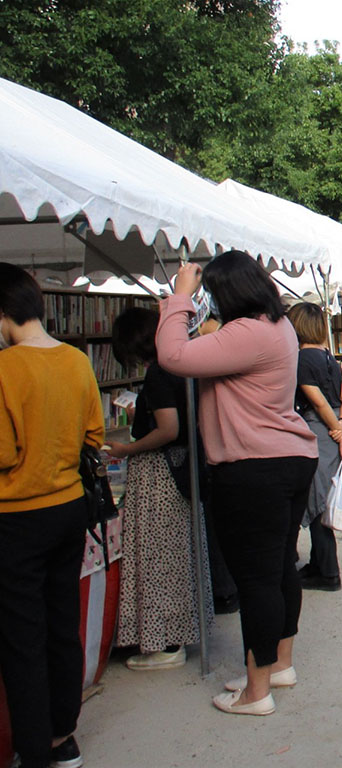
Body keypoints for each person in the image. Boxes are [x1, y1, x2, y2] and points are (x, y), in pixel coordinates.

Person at [157, 253, 318, 717]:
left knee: (256, 581)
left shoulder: (246, 333)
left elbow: (172, 356)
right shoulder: (277, 326)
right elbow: (211, 344)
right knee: (280, 568)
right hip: (289, 458)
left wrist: (180, 297)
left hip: (253, 467)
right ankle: (278, 666)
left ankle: (256, 690)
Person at [0, 263, 103, 768]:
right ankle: (64, 736)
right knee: (63, 624)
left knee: (21, 635)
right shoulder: (77, 362)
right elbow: (94, 436)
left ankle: (33, 747)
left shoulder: (4, 369)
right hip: (69, 506)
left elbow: (2, 452)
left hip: (17, 514)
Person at [108, 307, 213, 671]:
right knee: (178, 556)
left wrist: (126, 449)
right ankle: (178, 634)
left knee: (156, 559)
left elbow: (167, 428)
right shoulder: (183, 366)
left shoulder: (157, 374)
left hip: (160, 473)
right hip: (184, 468)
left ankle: (164, 643)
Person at [286, 303, 342, 593]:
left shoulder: (300, 360)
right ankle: (320, 564)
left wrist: (338, 431)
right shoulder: (329, 358)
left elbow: (317, 402)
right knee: (323, 498)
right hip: (331, 429)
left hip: (316, 430)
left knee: (316, 503)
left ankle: (327, 571)